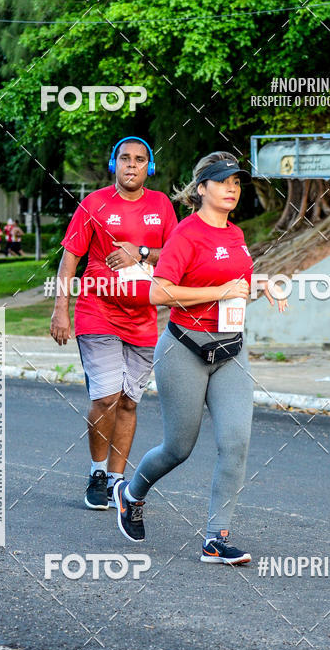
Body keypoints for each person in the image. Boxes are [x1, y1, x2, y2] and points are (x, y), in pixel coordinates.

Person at [114, 150, 286, 565]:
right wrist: (220, 292)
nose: (232, 188)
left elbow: (235, 282)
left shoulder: (236, 235)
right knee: (179, 448)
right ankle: (131, 493)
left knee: (236, 443)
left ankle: (216, 539)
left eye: (237, 182)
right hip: (184, 350)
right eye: (224, 180)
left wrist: (264, 284)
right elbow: (158, 292)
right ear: (202, 187)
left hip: (230, 350)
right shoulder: (186, 235)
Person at [50, 136, 178, 510]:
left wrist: (140, 253)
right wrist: (61, 308)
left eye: (140, 159)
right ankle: (97, 472)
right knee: (105, 396)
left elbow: (175, 253)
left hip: (143, 319)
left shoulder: (162, 206)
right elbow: (70, 260)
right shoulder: (94, 204)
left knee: (128, 402)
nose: (132, 165)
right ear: (114, 163)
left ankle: (118, 480)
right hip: (97, 311)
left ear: (149, 167)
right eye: (125, 158)